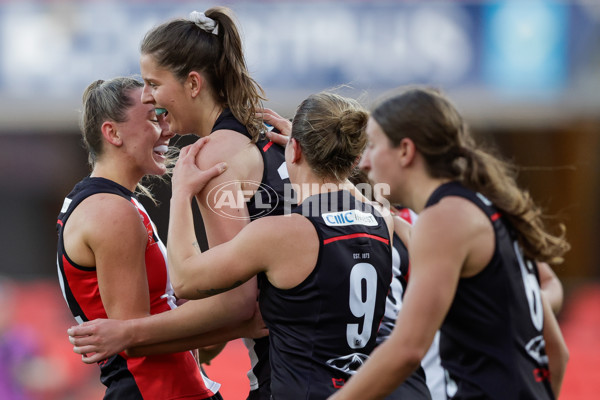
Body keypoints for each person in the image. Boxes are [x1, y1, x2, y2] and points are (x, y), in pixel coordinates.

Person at [69, 7, 288, 400]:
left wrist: (183, 197)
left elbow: (231, 299)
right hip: (322, 358)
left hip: (287, 370)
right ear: (111, 133)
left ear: (192, 83)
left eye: (154, 84)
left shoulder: (213, 154)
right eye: (148, 111)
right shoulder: (271, 137)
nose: (154, 103)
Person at [329, 86, 570, 400]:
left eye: (373, 146)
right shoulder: (484, 207)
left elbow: (407, 350)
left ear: (405, 150)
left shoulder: (444, 219)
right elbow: (557, 353)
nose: (365, 162)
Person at [167, 91, 394, 399]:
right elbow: (351, 195)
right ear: (354, 159)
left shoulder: (282, 233)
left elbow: (184, 280)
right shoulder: (382, 220)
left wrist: (180, 193)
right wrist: (318, 154)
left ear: (294, 149)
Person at [56, 77, 224, 399]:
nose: (167, 129)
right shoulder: (110, 211)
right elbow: (133, 339)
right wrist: (233, 316)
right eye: (152, 118)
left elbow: (158, 316)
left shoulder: (120, 203)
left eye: (163, 115)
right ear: (112, 133)